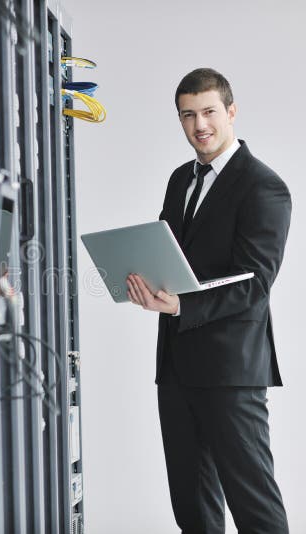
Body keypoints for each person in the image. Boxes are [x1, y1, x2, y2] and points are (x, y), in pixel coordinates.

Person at [125, 68, 292, 533]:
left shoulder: (263, 185)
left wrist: (182, 306)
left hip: (230, 373)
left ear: (231, 111)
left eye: (209, 112)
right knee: (192, 507)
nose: (199, 125)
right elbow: (168, 252)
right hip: (177, 367)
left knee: (253, 505)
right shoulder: (181, 179)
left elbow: (255, 282)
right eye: (187, 115)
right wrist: (142, 281)